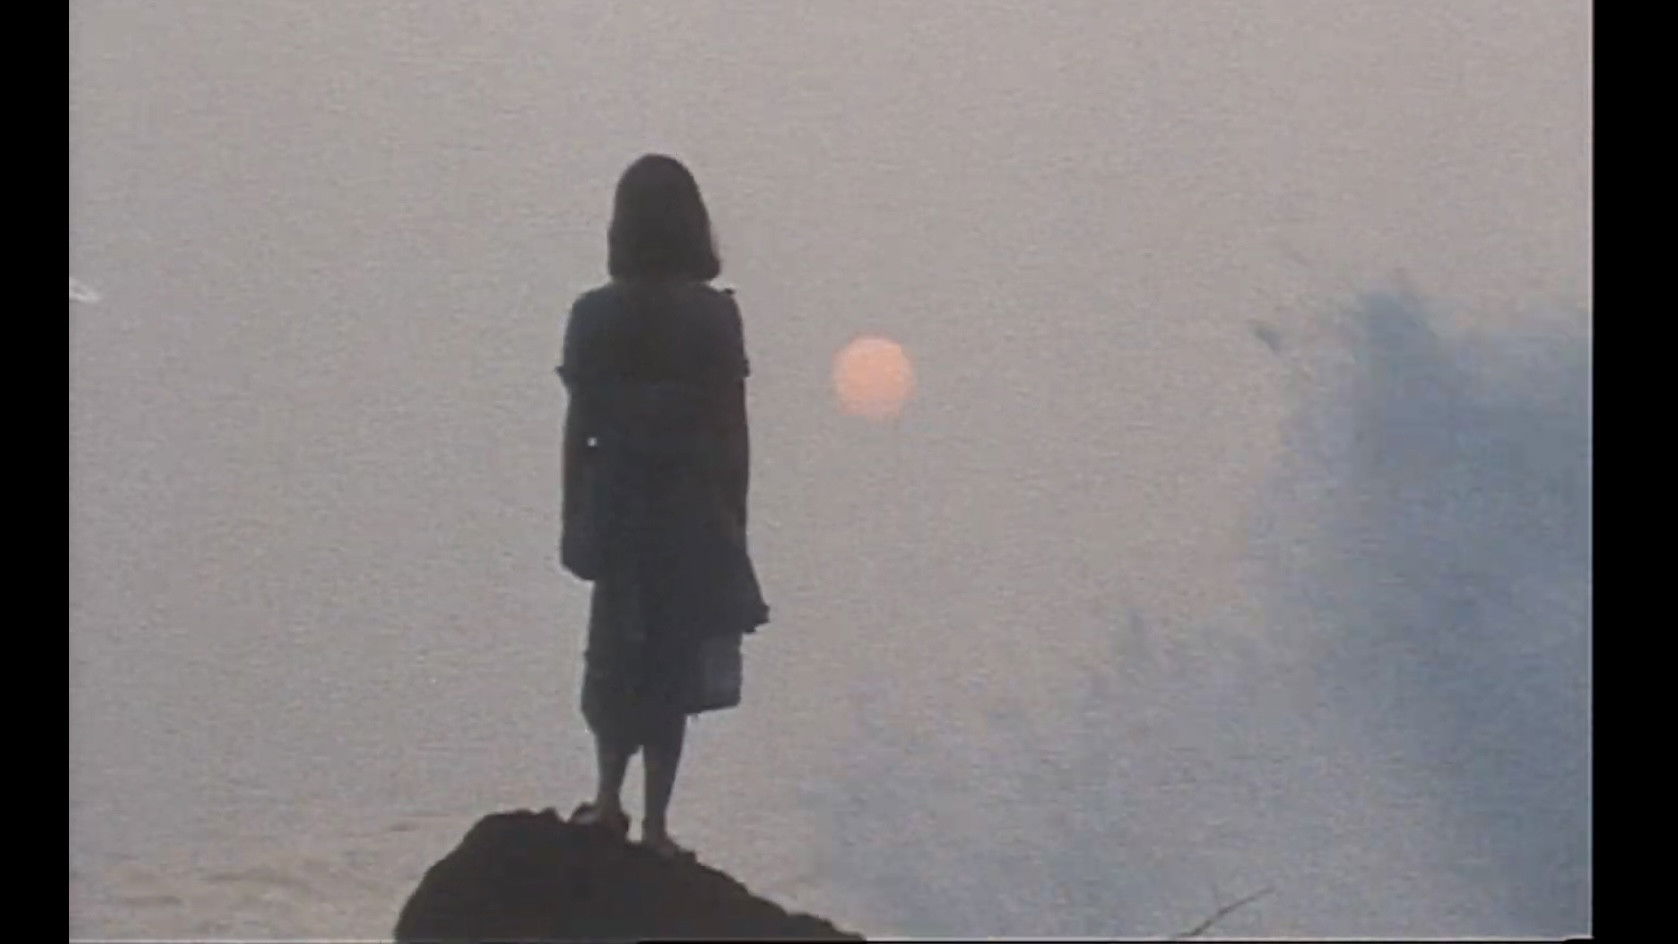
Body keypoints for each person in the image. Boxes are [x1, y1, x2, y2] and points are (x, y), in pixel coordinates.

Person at [557, 154, 769, 860]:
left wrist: (573, 514)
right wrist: (736, 519)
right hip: (689, 507)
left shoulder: (594, 314)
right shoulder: (713, 315)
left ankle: (609, 798)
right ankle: (653, 822)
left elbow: (578, 428)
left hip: (620, 504)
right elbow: (732, 429)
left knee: (616, 654)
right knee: (671, 663)